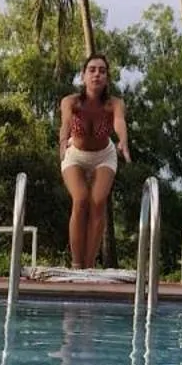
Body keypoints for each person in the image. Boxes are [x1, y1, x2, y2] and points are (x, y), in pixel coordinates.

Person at [59, 54, 129, 268]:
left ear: (107, 78)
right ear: (83, 76)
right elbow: (66, 123)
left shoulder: (114, 104)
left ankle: (89, 265)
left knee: (97, 202)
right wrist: (62, 140)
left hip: (104, 155)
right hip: (75, 154)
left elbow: (119, 121)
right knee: (80, 199)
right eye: (92, 70)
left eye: (102, 71)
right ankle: (76, 264)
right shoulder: (71, 101)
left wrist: (123, 140)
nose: (97, 74)